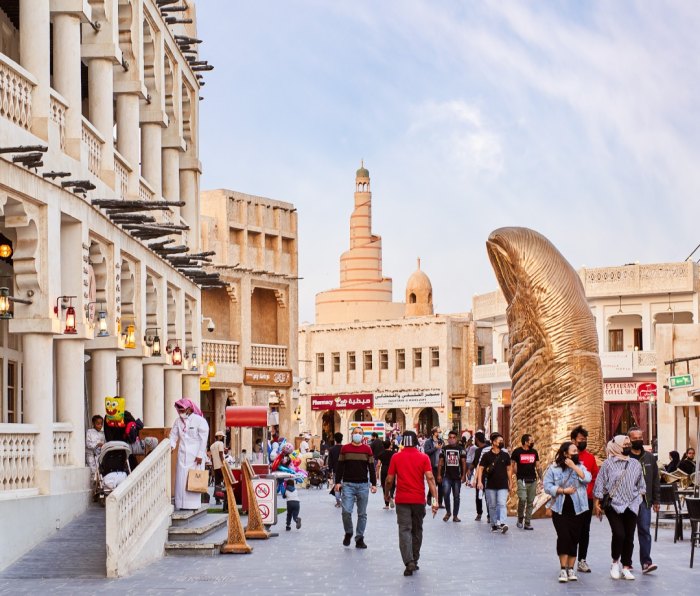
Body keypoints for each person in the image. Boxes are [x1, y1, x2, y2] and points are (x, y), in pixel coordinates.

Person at [384, 431, 439, 576]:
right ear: (416, 442)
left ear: (403, 442)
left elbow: (389, 479)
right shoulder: (423, 458)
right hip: (418, 500)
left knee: (404, 530)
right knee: (417, 530)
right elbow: (430, 479)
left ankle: (409, 561)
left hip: (402, 500)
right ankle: (415, 558)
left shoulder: (396, 457)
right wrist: (435, 501)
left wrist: (387, 494)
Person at [593, 435, 646, 581]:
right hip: (614, 505)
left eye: (629, 443)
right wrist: (597, 503)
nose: (629, 446)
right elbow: (600, 484)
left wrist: (638, 497)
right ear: (617, 446)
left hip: (632, 504)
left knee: (629, 536)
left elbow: (641, 485)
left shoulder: (635, 463)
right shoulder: (608, 464)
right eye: (625, 444)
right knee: (619, 534)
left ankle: (626, 566)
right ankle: (615, 562)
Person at [544, 441, 592, 583]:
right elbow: (547, 486)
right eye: (573, 451)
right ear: (565, 453)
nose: (576, 453)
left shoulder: (580, 466)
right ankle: (563, 569)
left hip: (579, 509)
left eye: (577, 451)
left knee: (574, 538)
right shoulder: (554, 468)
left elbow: (587, 478)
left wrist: (574, 467)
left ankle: (571, 569)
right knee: (564, 536)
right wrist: (563, 490)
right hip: (560, 509)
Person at [334, 427, 377, 548]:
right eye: (355, 433)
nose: (357, 435)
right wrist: (337, 482)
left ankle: (359, 538)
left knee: (362, 514)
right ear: (351, 434)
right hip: (348, 485)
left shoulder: (367, 449)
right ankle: (348, 532)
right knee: (346, 511)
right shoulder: (345, 448)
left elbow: (371, 468)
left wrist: (373, 484)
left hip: (363, 485)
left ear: (363, 436)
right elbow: (340, 466)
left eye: (360, 433)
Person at [628, 426, 660, 574]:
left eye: (640, 438)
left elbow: (655, 480)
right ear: (629, 440)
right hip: (627, 502)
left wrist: (656, 501)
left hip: (645, 501)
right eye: (634, 439)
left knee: (645, 531)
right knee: (627, 533)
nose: (638, 440)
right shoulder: (625, 457)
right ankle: (626, 563)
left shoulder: (650, 458)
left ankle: (646, 562)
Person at [169, 398, 209, 511]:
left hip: (195, 456)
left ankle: (193, 505)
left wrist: (200, 455)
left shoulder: (199, 421)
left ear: (189, 409)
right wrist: (172, 445)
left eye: (182, 410)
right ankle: (180, 503)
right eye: (179, 410)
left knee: (192, 480)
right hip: (182, 455)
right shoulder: (178, 421)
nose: (180, 412)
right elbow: (173, 435)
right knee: (181, 480)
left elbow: (203, 439)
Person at [569, 425, 599, 574]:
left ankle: (582, 560)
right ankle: (569, 561)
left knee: (584, 530)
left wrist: (592, 494)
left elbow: (595, 477)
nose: (583, 442)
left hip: (586, 499)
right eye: (581, 439)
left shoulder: (590, 457)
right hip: (570, 500)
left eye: (585, 440)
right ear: (573, 440)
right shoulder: (566, 457)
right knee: (571, 531)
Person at [476, 432, 512, 533]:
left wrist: (510, 481)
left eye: (502, 441)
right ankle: (494, 523)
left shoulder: (505, 455)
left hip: (503, 484)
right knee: (492, 505)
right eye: (499, 441)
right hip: (490, 484)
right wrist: (479, 481)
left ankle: (502, 523)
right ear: (494, 442)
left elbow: (509, 469)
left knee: (501, 503)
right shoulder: (487, 455)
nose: (501, 442)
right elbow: (481, 468)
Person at [510, 433, 540, 530]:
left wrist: (541, 478)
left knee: (530, 502)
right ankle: (520, 518)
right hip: (521, 480)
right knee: (522, 499)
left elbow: (538, 466)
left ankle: (527, 522)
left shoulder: (534, 452)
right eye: (531, 440)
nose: (533, 442)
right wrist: (510, 479)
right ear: (526, 442)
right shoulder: (517, 452)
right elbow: (511, 466)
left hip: (532, 480)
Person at [437, 430, 467, 522]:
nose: (452, 439)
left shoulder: (461, 449)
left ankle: (455, 515)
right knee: (446, 494)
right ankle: (448, 512)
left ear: (457, 439)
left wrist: (463, 475)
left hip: (457, 477)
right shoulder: (444, 449)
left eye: (454, 438)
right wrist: (438, 474)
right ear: (448, 439)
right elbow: (441, 462)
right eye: (450, 437)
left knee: (456, 496)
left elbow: (463, 463)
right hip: (447, 476)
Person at [470, 431, 490, 522]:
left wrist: (468, 470)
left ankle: (479, 513)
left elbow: (475, 464)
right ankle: (489, 515)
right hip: (489, 475)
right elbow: (475, 463)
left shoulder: (478, 451)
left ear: (477, 439)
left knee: (479, 495)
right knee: (488, 496)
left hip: (481, 476)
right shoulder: (489, 448)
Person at [422, 427, 444, 507]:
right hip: (432, 465)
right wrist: (435, 448)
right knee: (434, 484)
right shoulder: (428, 442)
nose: (439, 433)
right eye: (438, 432)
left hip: (440, 465)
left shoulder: (441, 441)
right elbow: (426, 452)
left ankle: (440, 502)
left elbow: (443, 451)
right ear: (434, 433)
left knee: (441, 484)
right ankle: (430, 498)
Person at [377, 439, 396, 509]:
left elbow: (378, 465)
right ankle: (391, 495)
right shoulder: (394, 453)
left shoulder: (381, 454)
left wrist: (377, 474)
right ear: (390, 445)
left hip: (384, 470)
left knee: (384, 485)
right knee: (392, 484)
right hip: (392, 469)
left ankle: (387, 504)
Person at [328, 432, 344, 508]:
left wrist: (330, 470)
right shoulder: (345, 448)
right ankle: (346, 501)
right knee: (345, 486)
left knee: (337, 485)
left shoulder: (332, 449)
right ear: (342, 439)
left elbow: (330, 462)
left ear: (334, 439)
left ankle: (338, 502)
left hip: (336, 470)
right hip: (345, 470)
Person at [209, 431, 226, 504]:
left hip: (216, 466)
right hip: (221, 466)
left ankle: (217, 499)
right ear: (219, 436)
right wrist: (224, 463)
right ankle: (226, 498)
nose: (222, 438)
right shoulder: (220, 443)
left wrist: (213, 467)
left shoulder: (212, 446)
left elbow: (212, 458)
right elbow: (221, 454)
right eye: (222, 436)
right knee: (225, 482)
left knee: (217, 483)